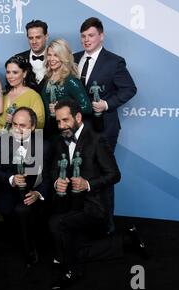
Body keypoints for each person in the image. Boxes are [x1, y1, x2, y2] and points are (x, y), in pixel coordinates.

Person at [48, 99, 146, 289]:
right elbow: (53, 169)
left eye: (65, 120)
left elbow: (114, 175)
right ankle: (127, 241)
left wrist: (88, 184)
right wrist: (56, 181)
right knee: (58, 230)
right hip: (69, 202)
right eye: (58, 121)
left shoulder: (97, 139)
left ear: (77, 116)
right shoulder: (60, 139)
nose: (61, 126)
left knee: (60, 226)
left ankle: (74, 270)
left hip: (93, 205)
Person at [74, 17, 137, 232]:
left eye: (91, 35)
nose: (86, 40)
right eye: (83, 36)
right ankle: (85, 223)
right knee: (79, 174)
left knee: (104, 176)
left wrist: (107, 104)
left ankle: (107, 226)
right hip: (79, 129)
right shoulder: (73, 59)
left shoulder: (114, 61)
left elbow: (129, 89)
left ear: (101, 36)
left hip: (104, 128)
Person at [0, 107, 51, 267]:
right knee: (6, 209)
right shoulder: (2, 141)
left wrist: (38, 193)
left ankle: (30, 249)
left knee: (22, 210)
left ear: (32, 127)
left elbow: (48, 176)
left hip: (31, 193)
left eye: (22, 126)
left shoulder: (44, 146)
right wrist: (11, 179)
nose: (17, 129)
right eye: (15, 124)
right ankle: (20, 236)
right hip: (8, 190)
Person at [41, 39, 92, 139]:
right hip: (49, 131)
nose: (51, 59)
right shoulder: (47, 78)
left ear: (63, 57)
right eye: (49, 55)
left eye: (56, 55)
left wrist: (62, 110)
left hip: (65, 133)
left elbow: (87, 108)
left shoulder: (70, 80)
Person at [0, 55, 45, 131]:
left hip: (22, 140)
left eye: (15, 72)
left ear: (24, 74)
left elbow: (40, 124)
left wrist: (17, 121)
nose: (10, 76)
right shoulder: (3, 94)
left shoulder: (33, 96)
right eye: (8, 72)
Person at [16, 20, 49, 93]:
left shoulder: (57, 58)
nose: (34, 42)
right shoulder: (18, 59)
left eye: (38, 37)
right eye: (31, 38)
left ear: (46, 36)